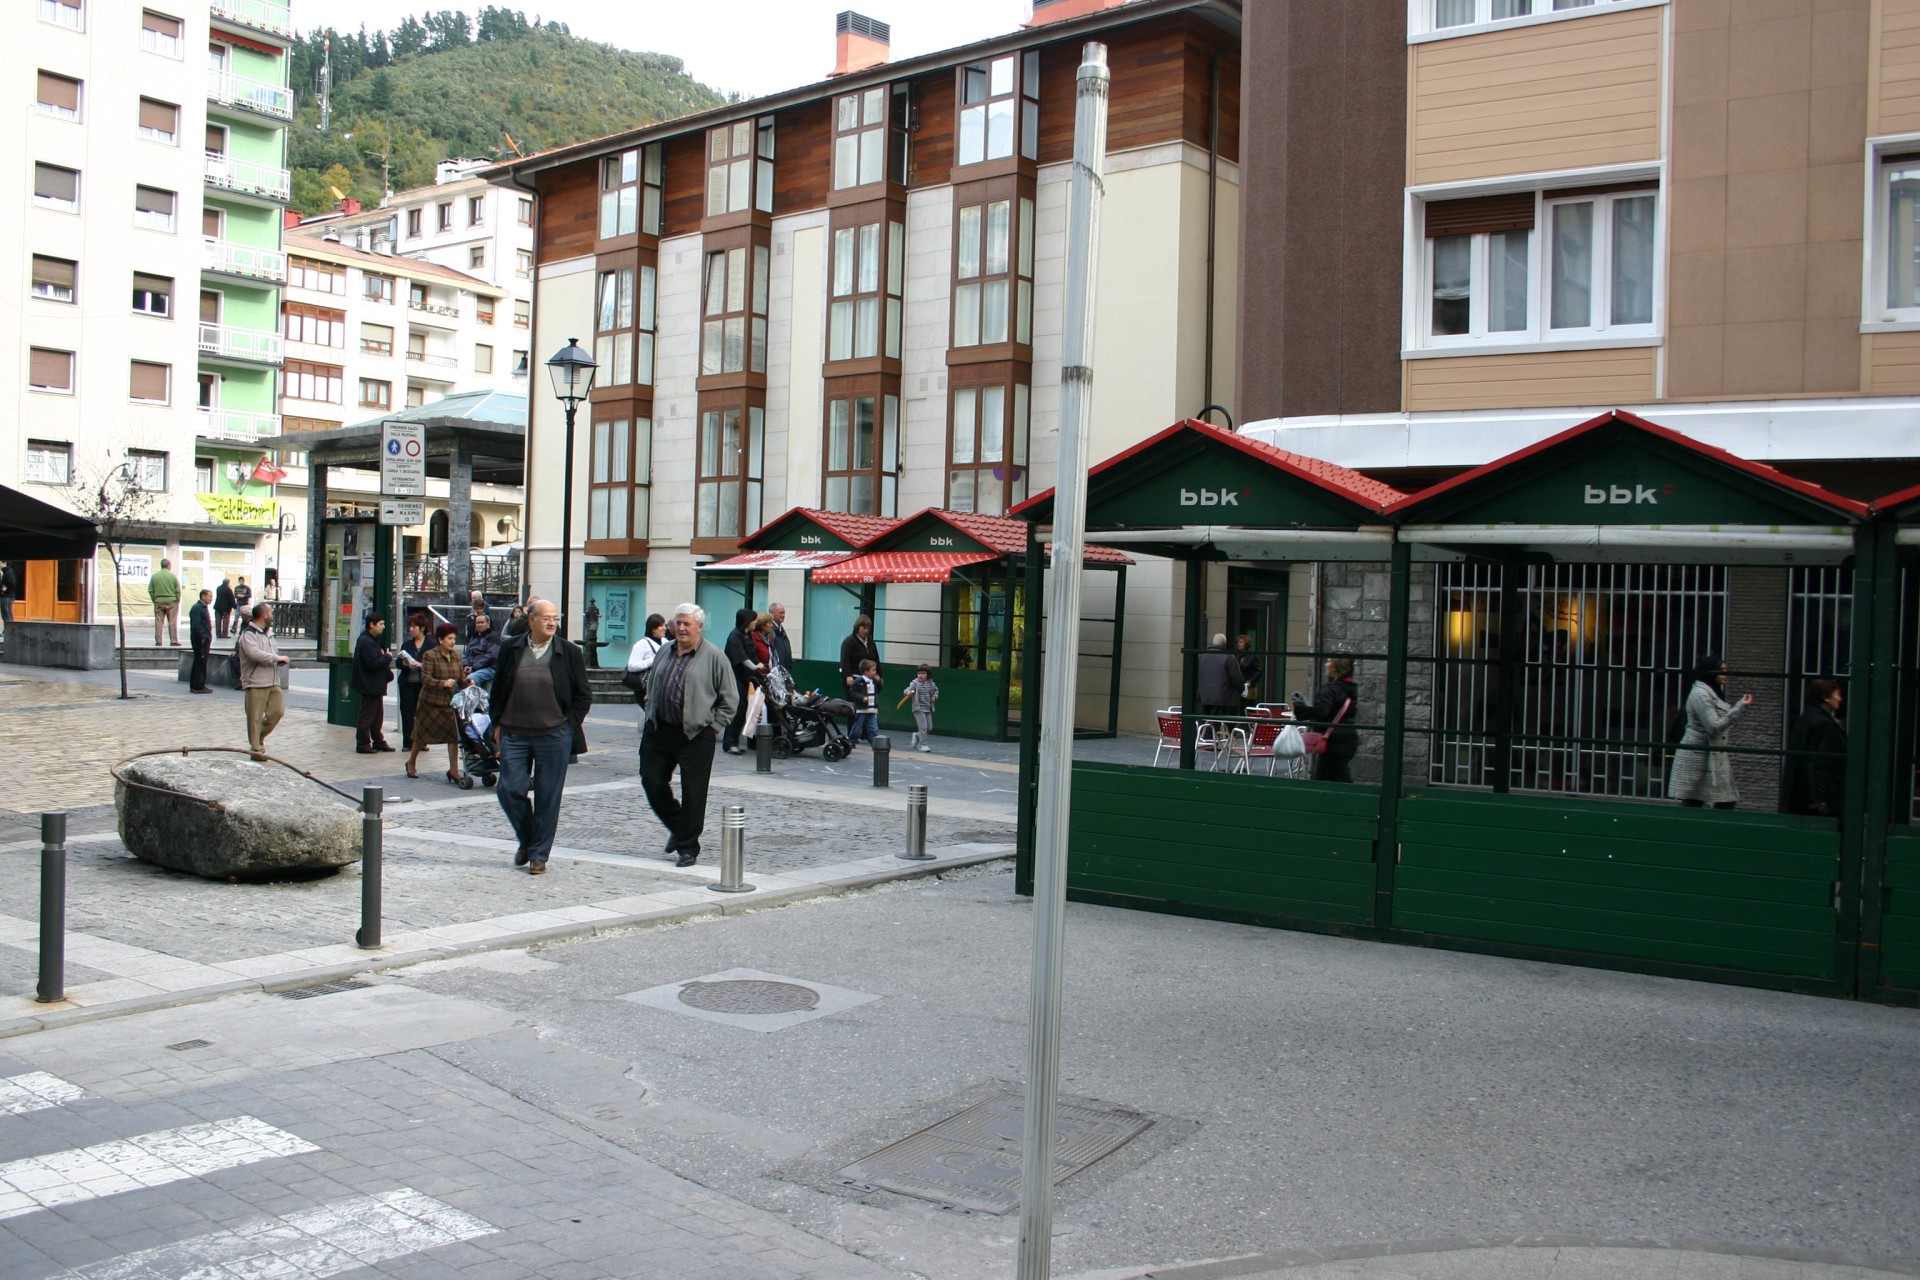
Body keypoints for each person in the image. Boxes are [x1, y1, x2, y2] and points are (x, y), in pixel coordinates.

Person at [489, 598, 593, 875]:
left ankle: (538, 854)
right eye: (546, 617)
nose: (551, 623)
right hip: (514, 732)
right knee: (509, 788)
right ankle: (527, 838)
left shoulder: (568, 652)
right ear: (530, 619)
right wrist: (496, 722)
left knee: (548, 795)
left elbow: (583, 695)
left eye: (555, 618)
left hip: (554, 735)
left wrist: (568, 726)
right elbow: (498, 687)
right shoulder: (511, 648)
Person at [640, 603, 738, 867]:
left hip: (696, 734)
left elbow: (730, 698)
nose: (681, 628)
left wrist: (715, 726)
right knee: (651, 781)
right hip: (659, 730)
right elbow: (652, 684)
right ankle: (678, 826)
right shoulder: (664, 651)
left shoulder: (714, 656)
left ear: (699, 627)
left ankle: (688, 847)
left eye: (687, 624)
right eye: (678, 623)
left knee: (694, 792)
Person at [1669, 653, 1755, 810]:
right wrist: (1739, 707)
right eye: (1722, 670)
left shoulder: (1711, 691)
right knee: (1695, 800)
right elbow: (1713, 726)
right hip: (1698, 755)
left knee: (1723, 799)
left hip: (1712, 756)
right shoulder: (1701, 694)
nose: (1725, 674)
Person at [408, 623, 468, 783]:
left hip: (449, 704)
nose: (453, 641)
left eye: (454, 638)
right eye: (449, 638)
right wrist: (442, 683)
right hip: (430, 703)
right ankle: (411, 762)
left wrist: (469, 682)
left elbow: (461, 679)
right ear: (440, 639)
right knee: (421, 736)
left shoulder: (457, 656)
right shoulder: (430, 655)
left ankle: (454, 770)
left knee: (453, 737)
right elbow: (425, 678)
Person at [1782, 678, 1847, 817]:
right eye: (1837, 694)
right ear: (1826, 697)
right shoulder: (1823, 723)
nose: (1840, 699)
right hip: (1821, 798)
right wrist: (1820, 800)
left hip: (1800, 795)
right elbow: (1819, 762)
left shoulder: (1807, 717)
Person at [1292, 656, 1360, 784]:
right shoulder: (1350, 688)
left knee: (1341, 781)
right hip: (1348, 738)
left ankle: (1356, 802)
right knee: (1324, 778)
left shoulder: (1330, 689)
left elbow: (1321, 712)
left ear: (1335, 668)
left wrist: (1300, 709)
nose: (1326, 664)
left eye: (1329, 662)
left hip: (1333, 742)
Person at [236, 602, 290, 760]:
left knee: (277, 712)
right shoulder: (248, 634)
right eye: (270, 613)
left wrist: (276, 660)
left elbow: (271, 653)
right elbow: (254, 653)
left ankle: (258, 737)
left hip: (272, 680)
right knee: (255, 717)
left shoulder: (269, 634)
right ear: (264, 615)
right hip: (256, 681)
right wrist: (275, 658)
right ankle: (256, 749)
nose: (272, 616)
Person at [721, 607, 764, 755]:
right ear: (747, 621)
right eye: (754, 620)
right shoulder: (735, 636)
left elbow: (751, 654)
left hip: (745, 677)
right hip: (735, 677)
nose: (756, 622)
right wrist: (755, 666)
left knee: (744, 708)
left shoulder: (748, 635)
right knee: (739, 708)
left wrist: (762, 666)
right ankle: (730, 742)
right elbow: (741, 657)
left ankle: (734, 740)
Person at [351, 614, 396, 754]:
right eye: (381, 624)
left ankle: (378, 741)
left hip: (375, 685)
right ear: (372, 624)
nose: (383, 627)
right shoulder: (366, 642)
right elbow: (372, 663)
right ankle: (363, 743)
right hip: (370, 684)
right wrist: (387, 657)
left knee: (377, 716)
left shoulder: (373, 640)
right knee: (368, 715)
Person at [396, 613, 428, 750]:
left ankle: (421, 742)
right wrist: (404, 663)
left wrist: (422, 666)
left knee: (422, 713)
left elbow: (435, 664)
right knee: (407, 712)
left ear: (422, 628)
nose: (411, 630)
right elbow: (398, 663)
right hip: (407, 682)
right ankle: (408, 743)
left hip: (423, 684)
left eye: (413, 627)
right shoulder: (407, 644)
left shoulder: (431, 644)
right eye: (410, 627)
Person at [624, 613, 669, 707]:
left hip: (662, 687)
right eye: (661, 626)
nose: (664, 628)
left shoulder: (666, 642)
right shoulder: (642, 644)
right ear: (653, 629)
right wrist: (653, 660)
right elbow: (631, 666)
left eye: (664, 625)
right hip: (646, 688)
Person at [1197, 634, 1243, 716]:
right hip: (1223, 699)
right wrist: (1241, 689)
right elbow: (1236, 679)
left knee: (1206, 724)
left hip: (1204, 698)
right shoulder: (1228, 657)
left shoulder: (1202, 656)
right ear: (1224, 644)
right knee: (1218, 724)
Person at [898, 665, 939, 752]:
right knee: (923, 727)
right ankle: (923, 745)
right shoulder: (915, 683)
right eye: (918, 673)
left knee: (929, 728)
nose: (920, 675)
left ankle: (917, 735)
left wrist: (935, 697)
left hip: (928, 708)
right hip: (918, 708)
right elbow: (906, 690)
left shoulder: (931, 684)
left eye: (923, 673)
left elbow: (936, 691)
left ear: (928, 674)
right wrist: (909, 692)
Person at [840, 614, 879, 692]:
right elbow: (845, 659)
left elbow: (876, 658)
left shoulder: (870, 641)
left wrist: (879, 674)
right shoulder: (849, 641)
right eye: (864, 628)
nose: (866, 631)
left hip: (869, 679)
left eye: (868, 628)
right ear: (858, 627)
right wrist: (848, 675)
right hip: (855, 677)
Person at [148, 557, 181, 646]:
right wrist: (178, 599)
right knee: (172, 622)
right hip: (172, 601)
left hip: (158, 601)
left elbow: (150, 589)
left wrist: (154, 599)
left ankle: (159, 641)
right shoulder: (173, 576)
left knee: (159, 622)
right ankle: (173, 641)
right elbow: (177, 590)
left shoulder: (155, 576)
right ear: (169, 565)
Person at [848, 658, 881, 746]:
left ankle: (874, 742)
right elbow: (852, 692)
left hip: (872, 708)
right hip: (862, 708)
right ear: (866, 672)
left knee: (873, 727)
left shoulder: (874, 681)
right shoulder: (859, 681)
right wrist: (862, 698)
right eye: (873, 670)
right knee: (857, 726)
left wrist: (879, 681)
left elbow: (878, 689)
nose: (875, 672)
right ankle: (852, 740)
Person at [464, 610, 502, 686]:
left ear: (488, 624)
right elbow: (466, 653)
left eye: (482, 622)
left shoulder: (494, 637)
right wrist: (465, 665)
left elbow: (492, 656)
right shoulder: (474, 637)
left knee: (470, 679)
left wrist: (473, 668)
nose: (479, 625)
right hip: (472, 667)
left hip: (489, 668)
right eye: (477, 623)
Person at [187, 589, 214, 694]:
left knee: (201, 662)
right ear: (203, 596)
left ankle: (200, 684)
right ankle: (197, 685)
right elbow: (196, 625)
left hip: (205, 639)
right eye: (209, 596)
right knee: (200, 663)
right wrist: (202, 637)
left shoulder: (203, 608)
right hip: (200, 640)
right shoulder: (197, 608)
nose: (211, 599)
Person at [1235, 634, 1264, 703]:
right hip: (1238, 687)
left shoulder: (1252, 656)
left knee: (1246, 706)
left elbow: (1259, 671)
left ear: (1246, 644)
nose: (1239, 644)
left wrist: (1251, 681)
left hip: (1248, 687)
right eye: (1238, 642)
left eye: (1241, 642)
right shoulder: (1236, 656)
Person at [768, 602, 794, 670]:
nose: (783, 615)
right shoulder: (769, 630)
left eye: (784, 613)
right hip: (776, 670)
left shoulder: (781, 630)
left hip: (785, 669)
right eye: (780, 613)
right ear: (772, 613)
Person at [0, 561, 18, 640]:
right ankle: (8, 630)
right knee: (5, 613)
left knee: (7, 613)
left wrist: (6, 589)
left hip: (7, 596)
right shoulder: (5, 572)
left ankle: (10, 631)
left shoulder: (9, 572)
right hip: (5, 596)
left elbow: (12, 583)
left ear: (4, 563)